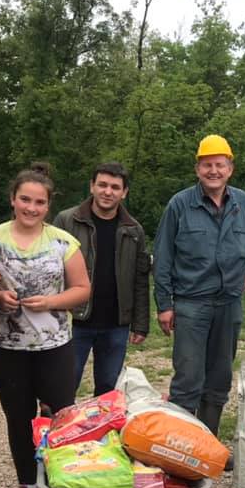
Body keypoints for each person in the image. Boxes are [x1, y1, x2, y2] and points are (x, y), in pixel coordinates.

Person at [153, 134, 245, 462]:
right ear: (197, 169)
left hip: (229, 304)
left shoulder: (244, 204)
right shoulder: (180, 204)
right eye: (207, 164)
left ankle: (208, 450)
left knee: (219, 378)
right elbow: (162, 256)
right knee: (188, 378)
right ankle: (179, 449)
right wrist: (164, 305)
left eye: (220, 165)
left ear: (230, 169)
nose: (214, 170)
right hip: (191, 303)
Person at [0, 165, 91, 488]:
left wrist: (50, 302)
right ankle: (27, 486)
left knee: (61, 416)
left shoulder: (63, 242)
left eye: (39, 202)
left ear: (48, 206)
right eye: (25, 200)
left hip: (54, 345)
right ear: (12, 199)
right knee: (18, 417)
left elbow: (82, 290)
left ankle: (65, 483)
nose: (31, 208)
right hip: (4, 345)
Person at [53, 162, 150, 396]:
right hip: (73, 321)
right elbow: (50, 273)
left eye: (115, 187)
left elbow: (140, 280)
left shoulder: (133, 230)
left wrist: (140, 323)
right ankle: (54, 432)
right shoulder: (67, 221)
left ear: (124, 192)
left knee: (108, 392)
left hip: (115, 324)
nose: (108, 192)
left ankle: (101, 434)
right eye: (102, 185)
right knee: (61, 388)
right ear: (92, 187)